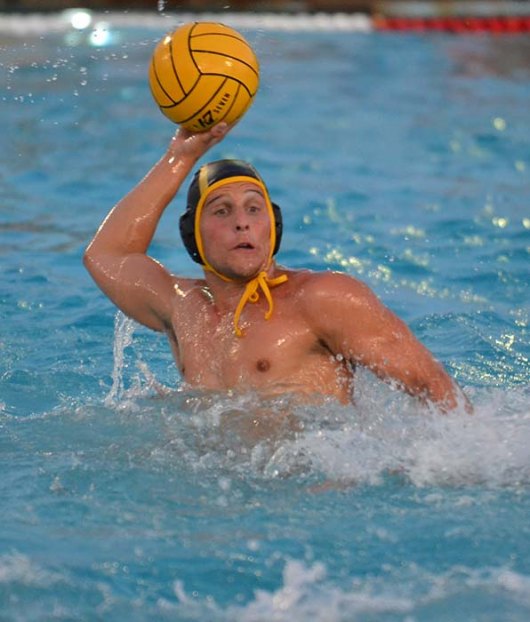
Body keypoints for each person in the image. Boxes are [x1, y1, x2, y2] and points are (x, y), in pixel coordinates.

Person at [84, 123, 470, 413]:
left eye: (255, 208)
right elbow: (105, 254)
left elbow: (433, 387)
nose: (242, 222)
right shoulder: (182, 307)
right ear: (192, 236)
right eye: (222, 211)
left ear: (274, 225)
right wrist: (179, 158)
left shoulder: (321, 299)